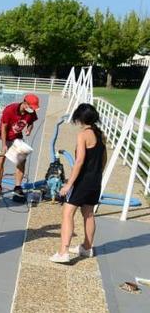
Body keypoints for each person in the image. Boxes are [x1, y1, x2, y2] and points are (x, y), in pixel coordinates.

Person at [50, 103, 106, 264]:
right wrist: (97, 174)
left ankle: (63, 252)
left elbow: (79, 161)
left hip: (83, 180)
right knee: (88, 213)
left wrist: (68, 184)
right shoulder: (100, 134)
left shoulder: (83, 135)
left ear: (80, 118)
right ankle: (87, 247)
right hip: (95, 180)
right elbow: (103, 159)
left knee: (67, 213)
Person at [0, 94, 40, 197]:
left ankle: (17, 186)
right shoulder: (10, 109)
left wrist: (29, 129)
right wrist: (4, 144)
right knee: (1, 160)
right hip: (2, 136)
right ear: (25, 103)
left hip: (17, 137)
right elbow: (4, 127)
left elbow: (31, 123)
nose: (32, 109)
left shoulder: (31, 112)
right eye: (31, 107)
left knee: (22, 161)